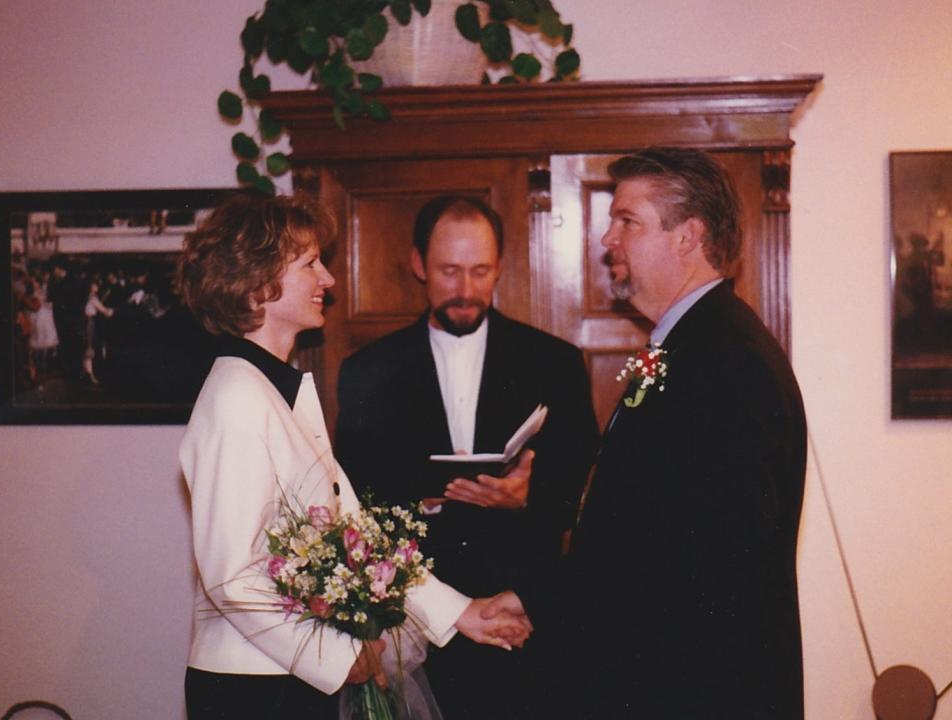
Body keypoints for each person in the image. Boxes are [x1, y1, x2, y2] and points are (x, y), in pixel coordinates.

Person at [175, 193, 531, 719]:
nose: (329, 279)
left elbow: (353, 532)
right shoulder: (236, 396)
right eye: (310, 264)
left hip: (283, 675)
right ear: (257, 283)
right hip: (252, 685)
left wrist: (460, 613)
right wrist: (338, 656)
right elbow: (233, 575)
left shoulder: (272, 389)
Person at [564, 148, 808, 718]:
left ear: (687, 236)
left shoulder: (728, 361)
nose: (607, 239)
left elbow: (726, 577)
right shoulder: (691, 343)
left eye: (627, 221)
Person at [335, 195, 599, 719]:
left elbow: (587, 491)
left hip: (522, 615)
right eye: (449, 271)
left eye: (480, 271)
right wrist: (420, 496)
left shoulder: (556, 363)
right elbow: (349, 500)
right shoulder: (367, 370)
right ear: (418, 266)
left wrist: (529, 495)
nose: (465, 290)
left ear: (500, 266)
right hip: (417, 621)